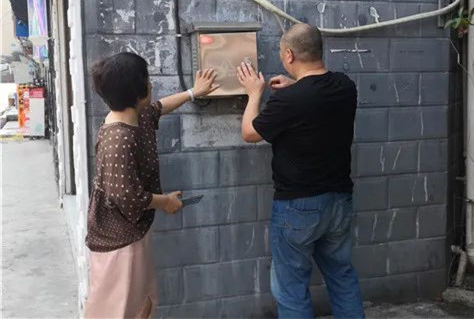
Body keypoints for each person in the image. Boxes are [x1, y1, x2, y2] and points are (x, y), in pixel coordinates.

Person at [237, 24, 365, 318]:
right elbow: (314, 93)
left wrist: (254, 93)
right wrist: (295, 84)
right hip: (338, 202)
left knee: (291, 288)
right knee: (342, 276)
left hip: (298, 206)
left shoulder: (288, 101)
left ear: (289, 55)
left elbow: (249, 133)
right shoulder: (345, 86)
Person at [84, 52, 218, 318]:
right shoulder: (118, 139)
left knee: (141, 302)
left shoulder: (134, 115)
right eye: (147, 79)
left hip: (132, 231)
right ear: (140, 90)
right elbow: (128, 197)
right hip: (119, 241)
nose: (151, 83)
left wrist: (193, 92)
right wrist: (165, 202)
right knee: (118, 309)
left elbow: (158, 107)